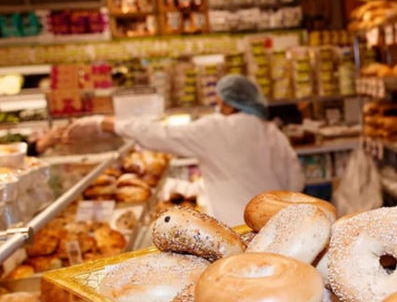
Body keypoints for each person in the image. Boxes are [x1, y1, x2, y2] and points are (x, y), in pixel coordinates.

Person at [60, 74, 306, 226]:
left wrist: (105, 123)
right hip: (278, 223)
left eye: (219, 103)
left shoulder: (213, 129)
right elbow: (296, 180)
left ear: (230, 105)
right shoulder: (272, 131)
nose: (217, 108)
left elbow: (159, 135)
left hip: (237, 225)